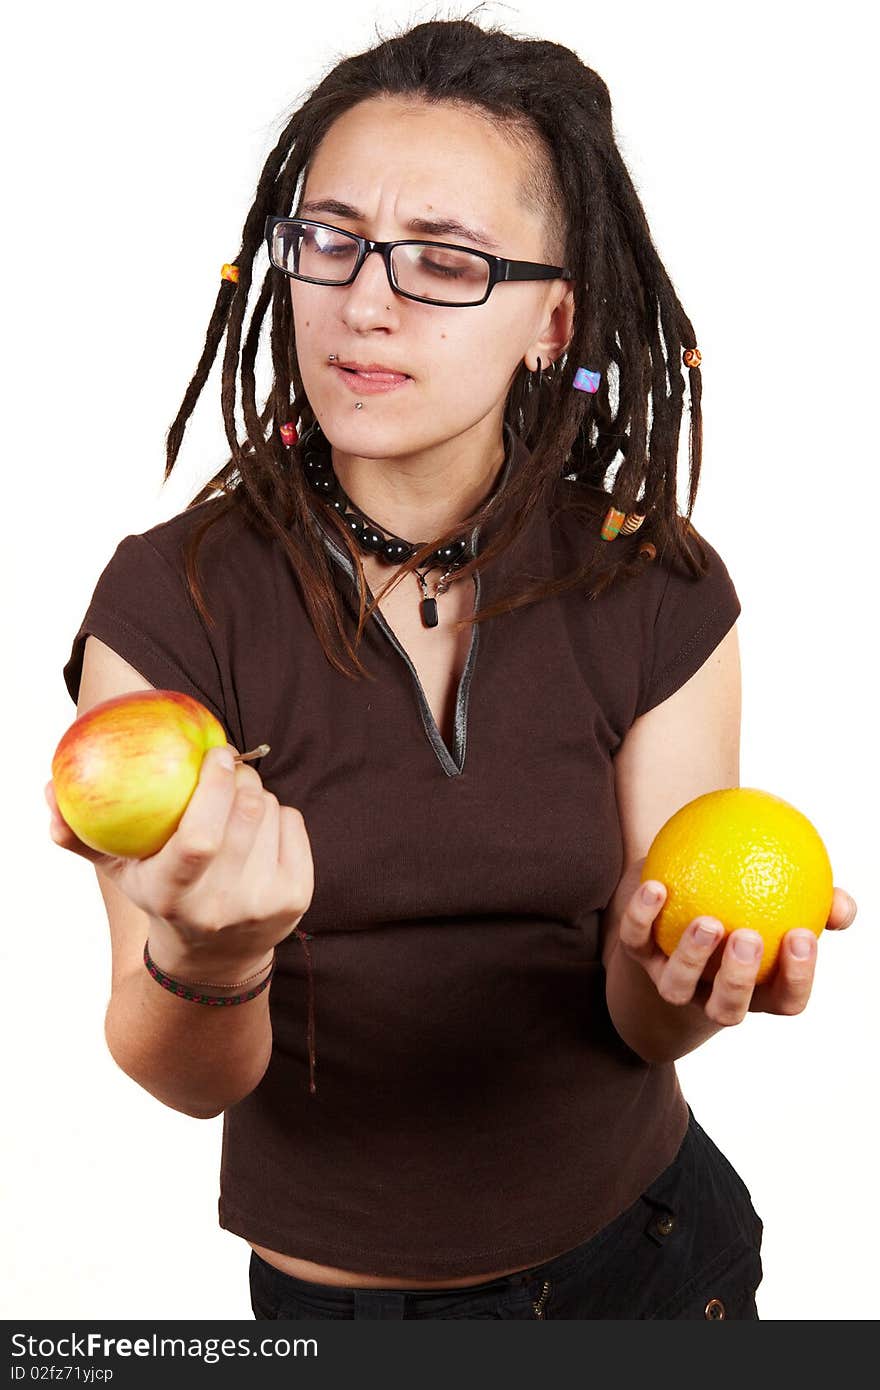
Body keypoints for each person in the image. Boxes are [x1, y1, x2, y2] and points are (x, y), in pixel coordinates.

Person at [48, 14, 857, 1321]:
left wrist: (679, 985)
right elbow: (180, 1068)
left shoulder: (659, 584)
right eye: (332, 240)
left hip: (655, 1264)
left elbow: (639, 1013)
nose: (367, 300)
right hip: (343, 1318)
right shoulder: (172, 597)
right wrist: (212, 949)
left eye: (445, 261)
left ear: (554, 319)